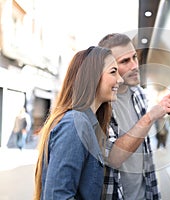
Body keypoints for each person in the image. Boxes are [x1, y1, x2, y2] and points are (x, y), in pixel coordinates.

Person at [99, 33, 170, 200]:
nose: (134, 66)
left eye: (134, 57)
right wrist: (151, 116)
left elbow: (141, 140)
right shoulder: (100, 104)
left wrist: (162, 112)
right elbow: (114, 157)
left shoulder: (138, 93)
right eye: (124, 61)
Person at [34, 46, 123, 200]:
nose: (120, 79)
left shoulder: (89, 123)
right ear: (92, 76)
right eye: (113, 71)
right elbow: (58, 196)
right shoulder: (75, 124)